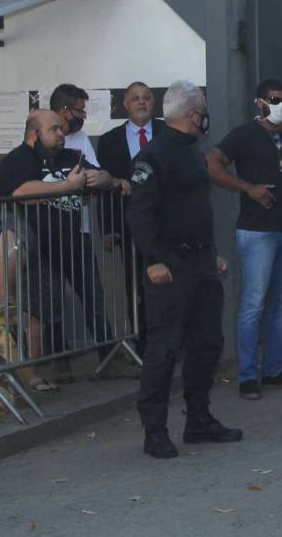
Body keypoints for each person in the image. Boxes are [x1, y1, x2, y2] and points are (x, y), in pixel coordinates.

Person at [126, 80, 242, 459]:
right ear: (194, 114)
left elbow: (196, 209)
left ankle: (199, 420)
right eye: (204, 109)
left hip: (200, 262)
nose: (206, 116)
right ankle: (155, 431)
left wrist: (211, 253)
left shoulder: (195, 151)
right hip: (170, 264)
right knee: (164, 349)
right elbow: (140, 215)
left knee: (206, 343)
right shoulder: (153, 155)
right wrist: (155, 260)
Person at [207, 79, 282, 400]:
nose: (280, 105)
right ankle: (248, 376)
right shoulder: (244, 135)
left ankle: (275, 369)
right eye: (274, 99)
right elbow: (212, 163)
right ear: (259, 103)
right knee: (254, 303)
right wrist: (247, 188)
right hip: (257, 232)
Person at [0, 110, 99, 393]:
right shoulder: (19, 159)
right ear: (34, 134)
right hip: (22, 239)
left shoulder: (71, 157)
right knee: (18, 309)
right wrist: (67, 186)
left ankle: (31, 376)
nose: (62, 134)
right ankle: (3, 307)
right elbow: (22, 192)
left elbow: (98, 174)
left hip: (53, 248)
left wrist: (108, 179)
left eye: (62, 130)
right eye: (54, 130)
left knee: (37, 315)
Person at [49, 84, 118, 379]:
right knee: (50, 297)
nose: (83, 116)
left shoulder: (81, 140)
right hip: (48, 229)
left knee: (93, 295)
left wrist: (97, 179)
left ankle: (110, 357)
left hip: (80, 228)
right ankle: (59, 360)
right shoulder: (38, 139)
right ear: (64, 110)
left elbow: (97, 175)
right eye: (79, 110)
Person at [97, 82, 165, 367]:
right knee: (135, 283)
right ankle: (142, 341)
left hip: (165, 223)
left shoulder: (166, 134)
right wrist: (108, 228)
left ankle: (166, 340)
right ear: (125, 104)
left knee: (166, 282)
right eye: (135, 98)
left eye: (146, 98)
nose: (141, 102)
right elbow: (104, 187)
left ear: (154, 103)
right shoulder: (110, 140)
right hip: (127, 224)